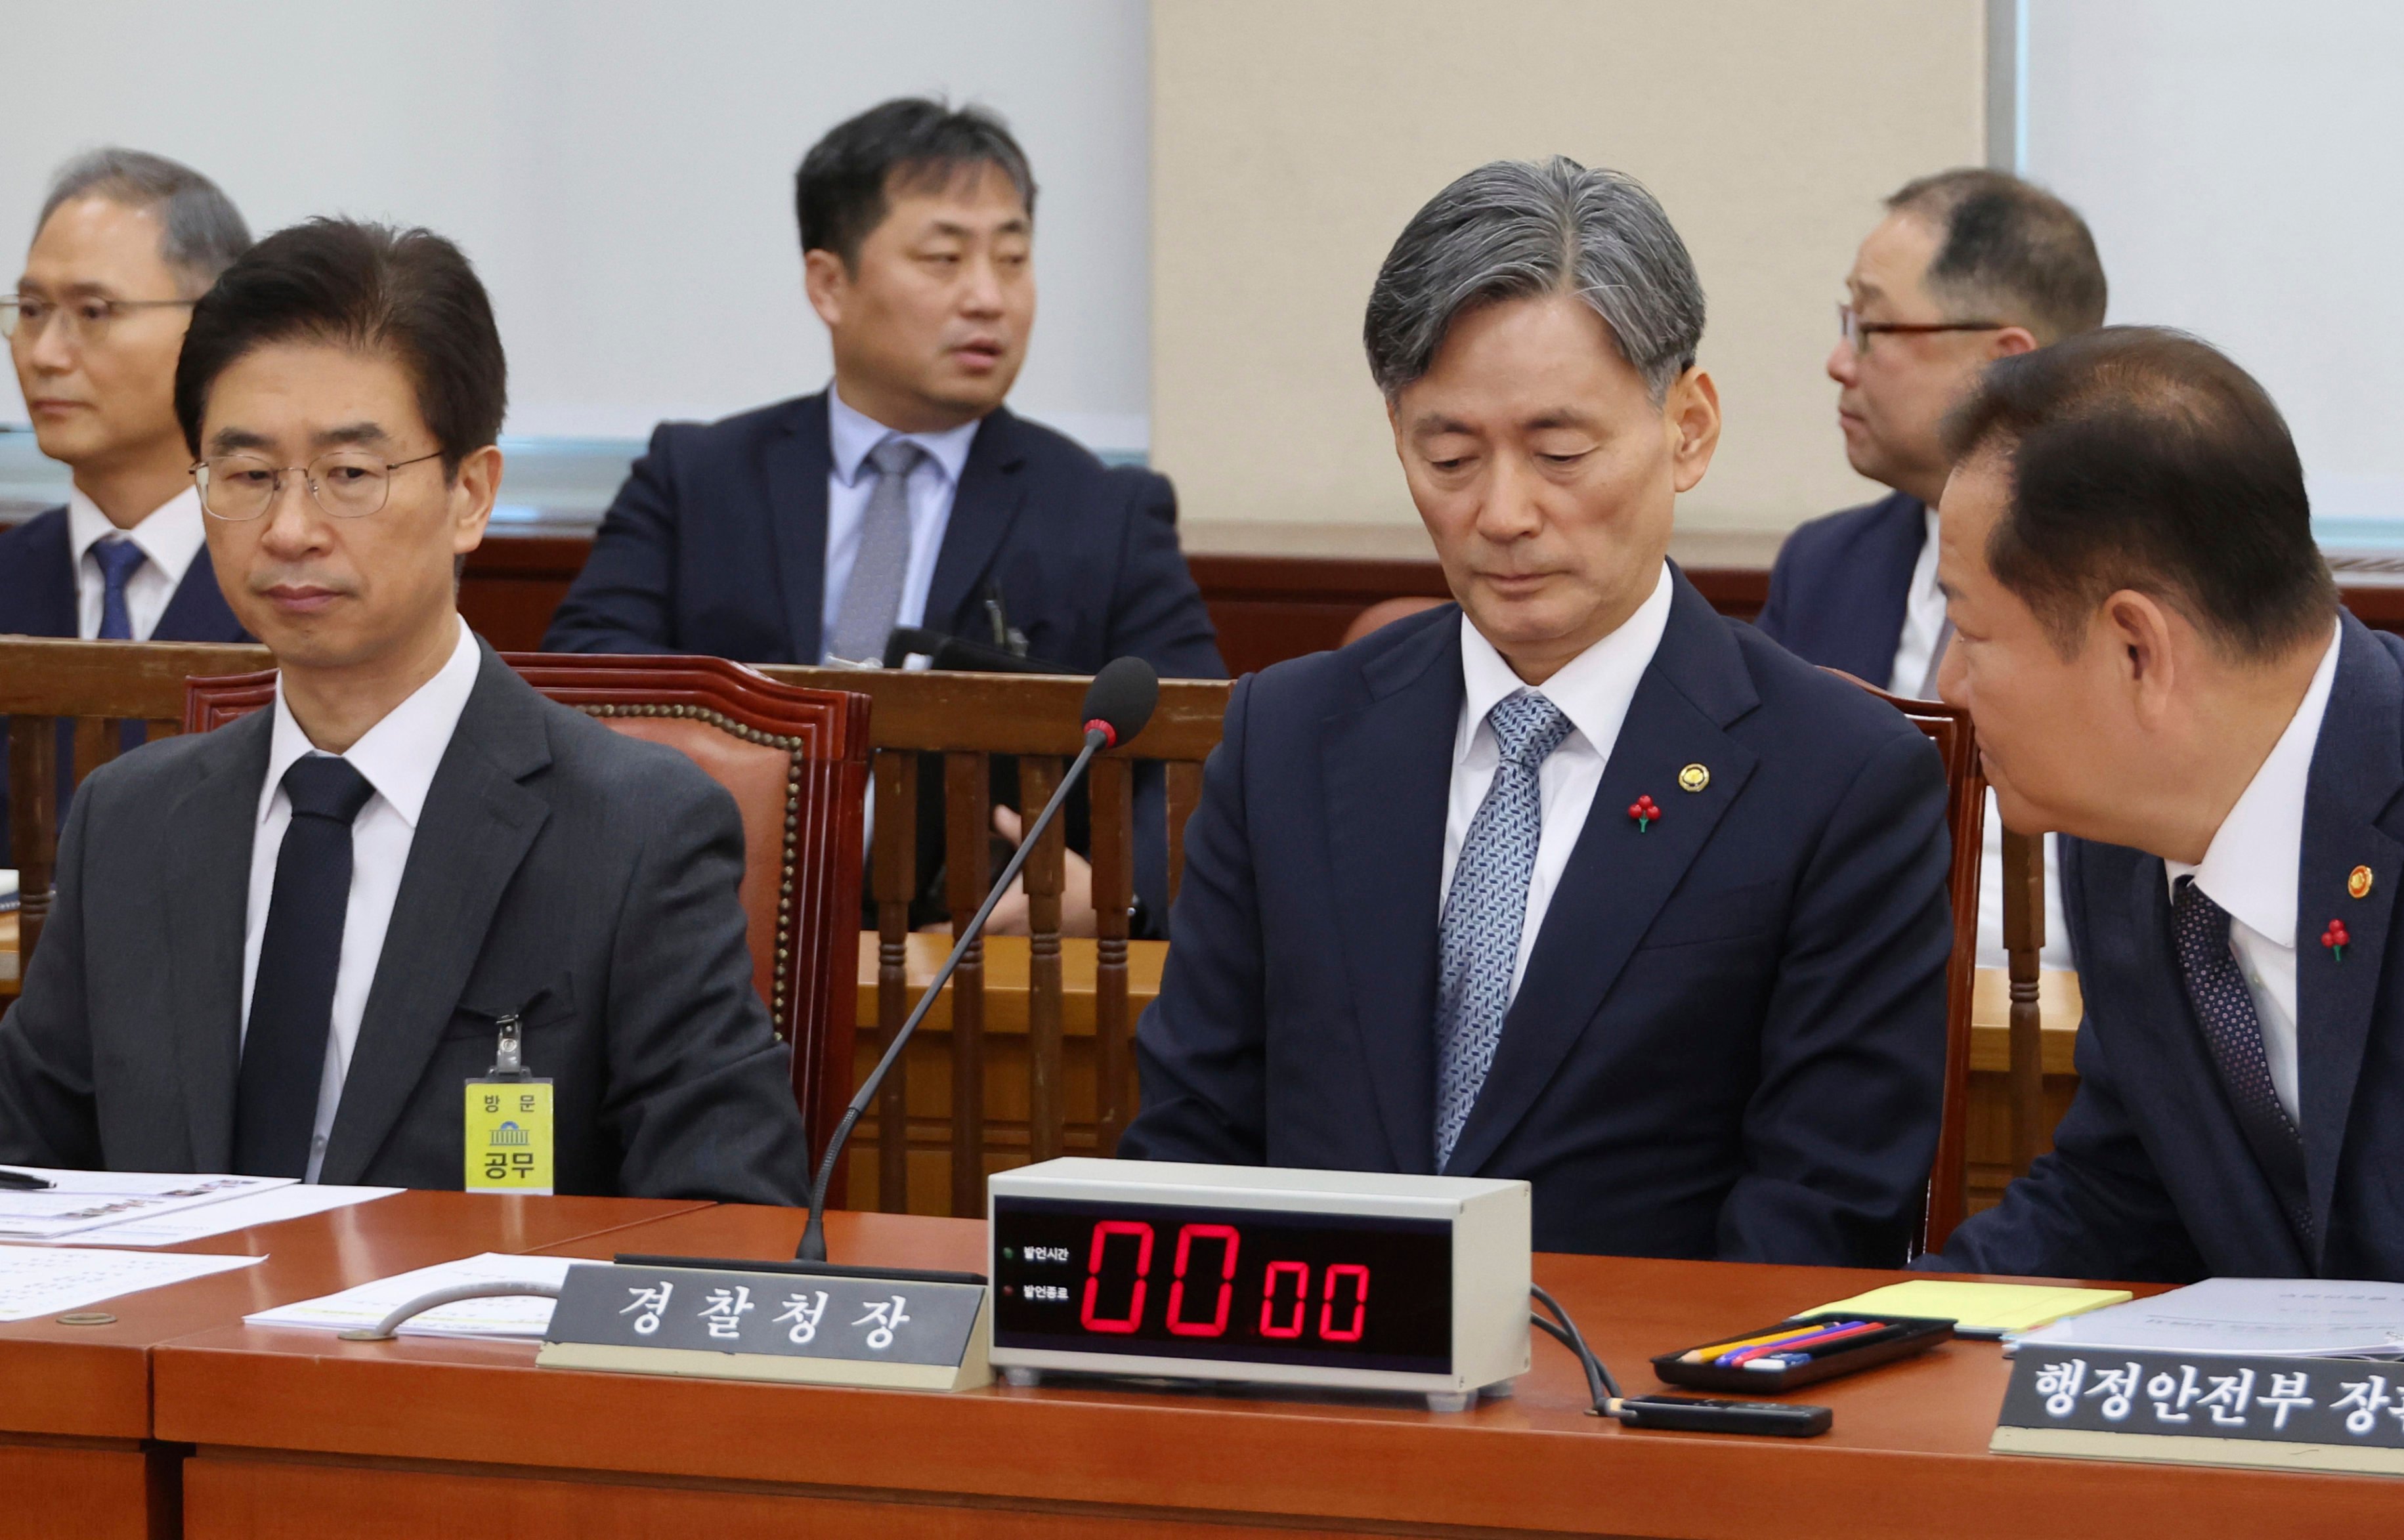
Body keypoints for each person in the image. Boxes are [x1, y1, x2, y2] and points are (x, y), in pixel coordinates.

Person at [1121, 159, 1953, 1263]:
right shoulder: (1287, 734)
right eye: (1449, 455)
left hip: (1639, 1407)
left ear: (1688, 429)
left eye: (1560, 453)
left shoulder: (1839, 777)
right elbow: (1190, 1144)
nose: (1502, 513)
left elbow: (1820, 1214)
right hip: (1312, 1387)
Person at [0, 219, 808, 1201]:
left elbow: (726, 1216)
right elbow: (25, 1182)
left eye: (350, 475)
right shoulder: (128, 821)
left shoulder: (635, 831)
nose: (290, 530)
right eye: (248, 476)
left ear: (471, 493)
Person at [1933, 328, 2404, 1302]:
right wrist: (1867, 1343)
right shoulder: (2119, 843)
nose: (1948, 687)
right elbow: (2118, 1200)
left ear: (2137, 650)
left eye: (1971, 632)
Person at [542, 96, 1221, 934]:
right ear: (830, 283)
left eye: (1013, 259)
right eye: (944, 258)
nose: (989, 298)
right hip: (708, 926)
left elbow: (1197, 750)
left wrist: (1116, 899)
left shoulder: (1103, 511)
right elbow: (590, 683)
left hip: (968, 955)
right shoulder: (697, 478)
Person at [1759, 169, 2106, 966]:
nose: (1839, 363)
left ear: (2005, 363)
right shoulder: (1825, 568)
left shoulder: (2138, 591)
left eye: (1872, 328)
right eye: (1846, 322)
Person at [3, 151, 254, 862]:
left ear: (213, 327)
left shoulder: (296, 578)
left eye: (93, 312)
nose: (46, 353)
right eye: (29, 311)